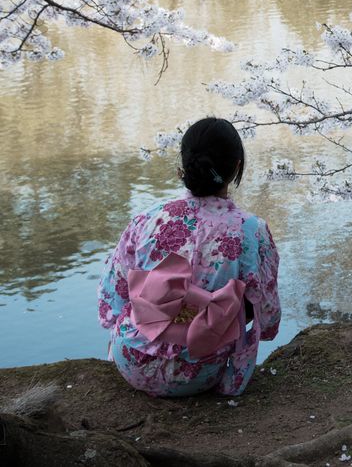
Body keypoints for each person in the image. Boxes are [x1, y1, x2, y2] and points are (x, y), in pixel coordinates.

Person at [98, 117, 280, 396]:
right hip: (201, 369)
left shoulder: (147, 219)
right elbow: (266, 311)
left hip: (133, 360)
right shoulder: (251, 230)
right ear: (236, 167)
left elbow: (114, 293)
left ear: (184, 166)